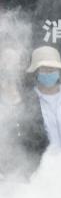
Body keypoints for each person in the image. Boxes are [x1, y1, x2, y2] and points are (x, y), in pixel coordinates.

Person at [0, 47, 48, 178]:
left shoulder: (32, 98)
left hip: (28, 177)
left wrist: (39, 170)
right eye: (5, 63)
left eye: (15, 63)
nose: (10, 69)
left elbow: (41, 140)